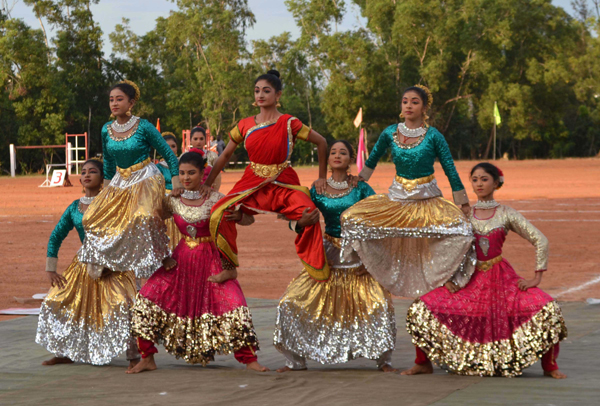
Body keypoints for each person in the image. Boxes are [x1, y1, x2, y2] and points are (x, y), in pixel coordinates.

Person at [404, 163, 567, 378]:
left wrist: (536, 277)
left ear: (496, 182)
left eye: (484, 179)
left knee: (548, 308)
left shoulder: (506, 213)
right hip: (468, 278)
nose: (479, 184)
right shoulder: (464, 214)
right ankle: (423, 363)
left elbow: (540, 240)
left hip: (501, 279)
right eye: (475, 179)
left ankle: (550, 367)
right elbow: (445, 247)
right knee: (420, 308)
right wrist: (447, 278)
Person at [127, 150, 268, 374]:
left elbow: (249, 219)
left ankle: (249, 359)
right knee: (145, 301)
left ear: (203, 174)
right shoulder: (172, 200)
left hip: (213, 261)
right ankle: (147, 357)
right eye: (182, 173)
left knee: (235, 304)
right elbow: (151, 222)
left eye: (191, 173)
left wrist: (238, 216)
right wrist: (163, 255)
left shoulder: (217, 199)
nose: (186, 178)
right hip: (180, 259)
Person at [340, 85, 475, 297]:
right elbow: (372, 159)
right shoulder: (389, 132)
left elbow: (449, 167)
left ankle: (445, 277)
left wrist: (462, 201)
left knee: (462, 231)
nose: (409, 105)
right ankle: (367, 266)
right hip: (397, 198)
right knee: (351, 219)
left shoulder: (433, 136)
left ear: (424, 108)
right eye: (405, 101)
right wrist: (358, 181)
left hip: (427, 199)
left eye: (414, 102)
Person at [274, 140, 397, 373]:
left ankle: (383, 361)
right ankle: (295, 362)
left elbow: (378, 219)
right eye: (332, 152)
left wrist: (371, 260)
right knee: (289, 303)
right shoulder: (318, 189)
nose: (337, 155)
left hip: (357, 256)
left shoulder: (360, 188)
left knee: (380, 305)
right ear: (327, 159)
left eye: (343, 152)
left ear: (351, 159)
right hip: (327, 258)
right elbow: (290, 214)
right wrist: (299, 223)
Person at [198, 70, 331, 282]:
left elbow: (322, 142)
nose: (260, 95)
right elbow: (224, 156)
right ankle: (229, 266)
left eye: (266, 91)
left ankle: (316, 271)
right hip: (252, 181)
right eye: (257, 91)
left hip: (283, 181)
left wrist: (322, 177)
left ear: (278, 95)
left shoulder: (289, 122)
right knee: (218, 213)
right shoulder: (245, 124)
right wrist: (207, 183)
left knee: (311, 213)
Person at [36, 159, 139, 367]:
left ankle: (134, 357)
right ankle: (64, 352)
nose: (87, 175)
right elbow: (56, 236)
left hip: (113, 265)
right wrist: (51, 269)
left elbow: (126, 233)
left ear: (102, 178)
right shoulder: (75, 207)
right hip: (83, 264)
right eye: (83, 172)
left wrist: (114, 262)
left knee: (123, 305)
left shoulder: (111, 202)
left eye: (93, 171)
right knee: (57, 301)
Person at [78, 81, 180, 279]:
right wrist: (105, 192)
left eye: (119, 99)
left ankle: (163, 256)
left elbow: (168, 153)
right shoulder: (106, 129)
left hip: (146, 178)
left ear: (131, 103)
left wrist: (176, 182)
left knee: (145, 217)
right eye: (111, 100)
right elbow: (107, 162)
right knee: (92, 218)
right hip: (119, 181)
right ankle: (110, 260)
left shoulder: (144, 126)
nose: (114, 103)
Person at [190, 126, 221, 191]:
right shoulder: (184, 156)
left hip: (208, 192)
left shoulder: (213, 156)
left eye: (201, 139)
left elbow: (217, 177)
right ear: (190, 140)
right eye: (195, 139)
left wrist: (214, 192)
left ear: (205, 140)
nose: (198, 142)